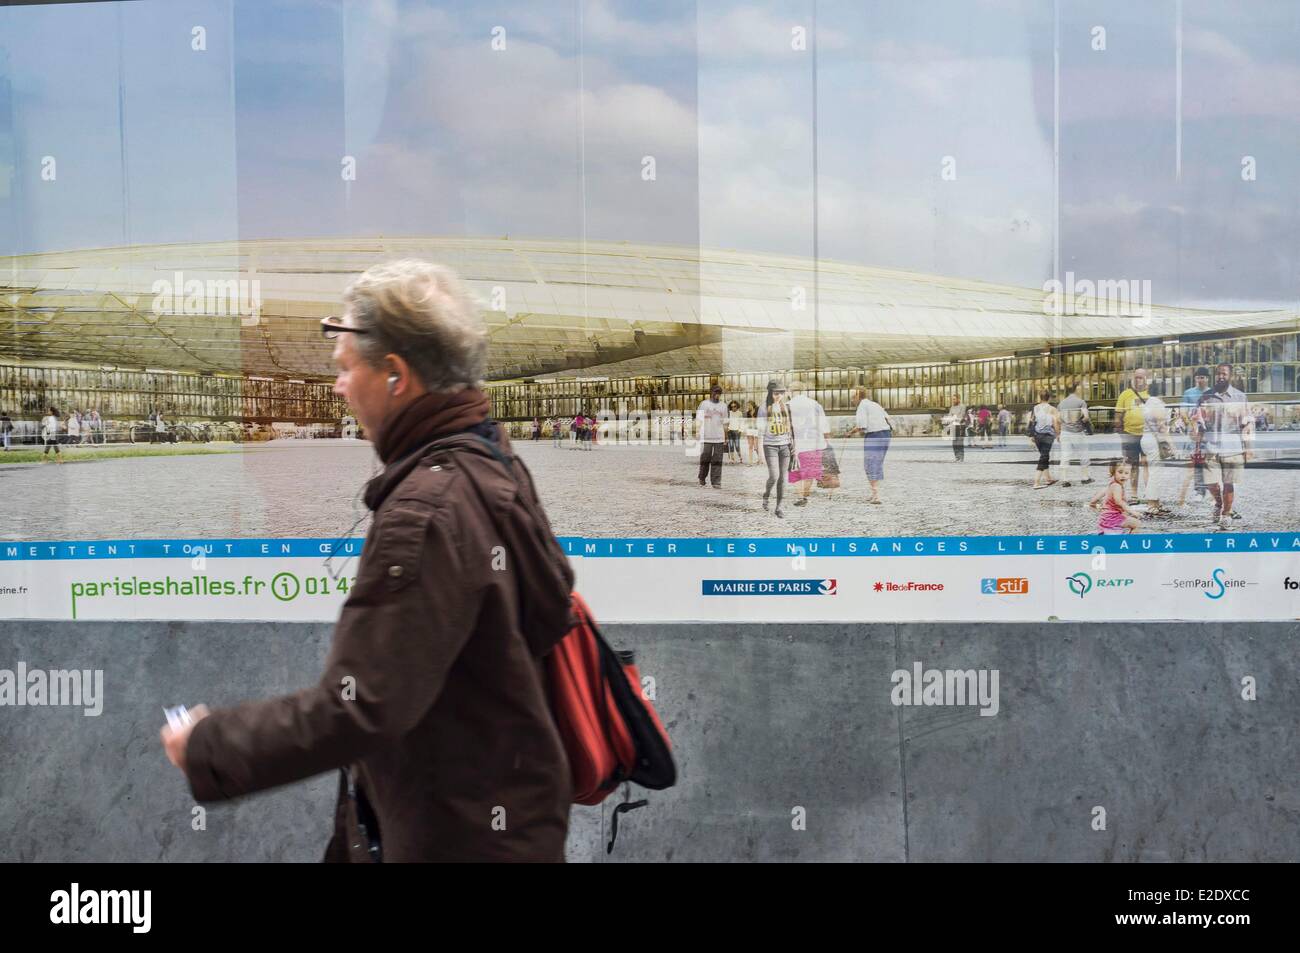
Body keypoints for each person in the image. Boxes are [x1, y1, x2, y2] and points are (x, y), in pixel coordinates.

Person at [161, 259, 575, 862]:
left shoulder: (428, 508)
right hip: (507, 819)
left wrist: (209, 746)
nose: (338, 387)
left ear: (395, 376)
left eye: (345, 369)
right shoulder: (492, 461)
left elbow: (359, 703)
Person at [1194, 363, 1252, 530]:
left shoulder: (1240, 397)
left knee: (1229, 483)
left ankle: (1226, 514)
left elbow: (1247, 425)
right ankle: (1219, 503)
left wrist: (1248, 448)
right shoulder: (1206, 397)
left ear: (1230, 376)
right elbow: (1199, 424)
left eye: (1224, 374)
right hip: (1210, 448)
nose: (1221, 376)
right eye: (1218, 374)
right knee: (1211, 483)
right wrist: (1197, 448)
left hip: (1233, 448)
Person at [786, 381, 827, 507]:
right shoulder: (815, 404)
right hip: (814, 441)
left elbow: (784, 426)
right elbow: (823, 425)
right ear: (803, 391)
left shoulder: (787, 405)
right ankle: (805, 494)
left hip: (796, 443)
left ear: (791, 391)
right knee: (809, 471)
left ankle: (801, 496)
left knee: (795, 470)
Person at [1139, 381, 1176, 516]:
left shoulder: (1148, 403)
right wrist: (1172, 445)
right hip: (1154, 441)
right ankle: (1151, 505)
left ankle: (1156, 503)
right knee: (1156, 473)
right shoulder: (1158, 404)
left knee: (1155, 472)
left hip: (1147, 438)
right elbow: (1161, 427)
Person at [1114, 368, 1149, 501]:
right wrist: (1121, 432)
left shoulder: (1151, 394)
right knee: (1132, 465)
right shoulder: (1125, 394)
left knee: (1147, 464)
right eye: (1136, 377)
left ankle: (1149, 492)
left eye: (1141, 377)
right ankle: (1134, 494)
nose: (1137, 379)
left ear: (1146, 378)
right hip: (1130, 434)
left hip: (1147, 435)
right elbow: (1118, 414)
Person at [757, 381, 791, 517]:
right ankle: (766, 495)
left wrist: (792, 445)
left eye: (781, 393)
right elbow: (760, 431)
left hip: (785, 446)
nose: (779, 396)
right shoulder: (763, 408)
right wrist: (759, 452)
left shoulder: (785, 407)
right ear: (770, 393)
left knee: (783, 478)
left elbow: (789, 427)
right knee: (774, 476)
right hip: (770, 446)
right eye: (776, 393)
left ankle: (779, 507)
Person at [853, 388, 891, 504]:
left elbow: (862, 425)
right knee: (877, 463)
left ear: (858, 397)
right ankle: (874, 493)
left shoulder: (862, 406)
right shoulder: (875, 404)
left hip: (874, 434)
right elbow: (887, 418)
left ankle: (876, 495)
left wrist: (850, 432)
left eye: (853, 397)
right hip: (886, 434)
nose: (852, 400)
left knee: (870, 464)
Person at [1090, 459, 1143, 533]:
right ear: (1113, 472)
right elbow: (1119, 501)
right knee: (1137, 524)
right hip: (1113, 519)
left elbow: (1093, 501)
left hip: (1105, 519)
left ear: (1130, 475)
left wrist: (1097, 508)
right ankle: (1130, 543)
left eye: (1126, 473)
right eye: (1120, 472)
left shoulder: (1110, 486)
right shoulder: (1117, 486)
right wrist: (1133, 512)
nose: (1123, 476)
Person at [1056, 381, 1093, 487]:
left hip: (1065, 432)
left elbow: (1058, 419)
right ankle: (1085, 478)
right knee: (1083, 454)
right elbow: (1086, 417)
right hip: (1078, 432)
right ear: (1076, 389)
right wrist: (1081, 420)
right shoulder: (1081, 402)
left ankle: (1064, 479)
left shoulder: (1061, 403)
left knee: (1065, 455)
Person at [695, 384, 727, 488]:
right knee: (705, 458)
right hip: (706, 436)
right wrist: (697, 431)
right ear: (711, 393)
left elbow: (725, 422)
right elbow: (699, 419)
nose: (717, 395)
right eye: (715, 392)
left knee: (717, 460)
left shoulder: (723, 406)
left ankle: (716, 482)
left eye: (719, 393)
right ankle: (702, 477)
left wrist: (726, 437)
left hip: (719, 436)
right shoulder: (704, 404)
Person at [1030, 390, 1060, 489]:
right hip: (1047, 435)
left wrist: (1031, 436)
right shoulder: (1052, 409)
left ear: (1040, 397)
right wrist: (1058, 434)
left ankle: (1048, 479)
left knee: (1044, 456)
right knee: (1043, 457)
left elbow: (1032, 422)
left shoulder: (1035, 408)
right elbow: (1056, 423)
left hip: (1037, 435)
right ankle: (1036, 482)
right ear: (1049, 398)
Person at [944, 394, 966, 462]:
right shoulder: (952, 407)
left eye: (954, 399)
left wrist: (954, 417)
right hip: (953, 426)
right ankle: (957, 457)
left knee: (959, 442)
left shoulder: (962, 406)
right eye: (952, 399)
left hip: (960, 426)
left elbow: (961, 416)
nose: (953, 400)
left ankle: (961, 457)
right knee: (954, 443)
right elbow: (949, 416)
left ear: (958, 399)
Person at [725, 400, 744, 465]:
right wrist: (727, 428)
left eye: (735, 406)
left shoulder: (739, 413)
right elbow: (726, 421)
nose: (733, 408)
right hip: (730, 431)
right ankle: (732, 459)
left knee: (737, 445)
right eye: (732, 406)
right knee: (731, 445)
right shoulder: (729, 413)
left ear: (737, 406)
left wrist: (740, 430)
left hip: (737, 431)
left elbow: (742, 422)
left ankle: (740, 457)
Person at [743, 401, 760, 465]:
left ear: (752, 405)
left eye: (749, 405)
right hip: (750, 429)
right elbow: (746, 422)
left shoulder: (757, 411)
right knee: (750, 446)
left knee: (756, 447)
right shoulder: (747, 413)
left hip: (756, 429)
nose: (748, 406)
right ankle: (750, 461)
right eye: (747, 405)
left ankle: (759, 458)